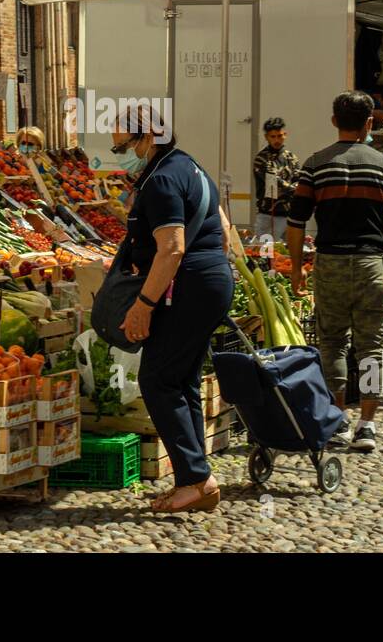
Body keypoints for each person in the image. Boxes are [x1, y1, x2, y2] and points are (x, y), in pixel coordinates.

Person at [114, 103, 234, 511]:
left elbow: (172, 248)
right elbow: (225, 230)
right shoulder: (189, 167)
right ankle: (195, 479)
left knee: (158, 380)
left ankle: (196, 479)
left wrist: (143, 305)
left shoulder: (162, 179)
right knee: (181, 380)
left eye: (121, 147)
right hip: (207, 284)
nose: (121, 156)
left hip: (188, 288)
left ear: (146, 138)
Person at [287, 91, 383, 453]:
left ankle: (339, 420)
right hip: (370, 265)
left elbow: (295, 222)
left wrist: (298, 267)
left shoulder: (314, 165)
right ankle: (367, 425)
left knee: (331, 343)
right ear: (370, 124)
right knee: (372, 345)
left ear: (334, 121)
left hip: (329, 263)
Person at [251, 117, 302, 242]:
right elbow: (273, 182)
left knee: (285, 256)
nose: (276, 140)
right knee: (265, 254)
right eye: (272, 137)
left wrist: (295, 187)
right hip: (267, 215)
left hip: (288, 214)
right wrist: (293, 189)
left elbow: (299, 179)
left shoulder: (291, 157)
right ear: (266, 137)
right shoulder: (262, 158)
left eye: (279, 136)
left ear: (285, 135)